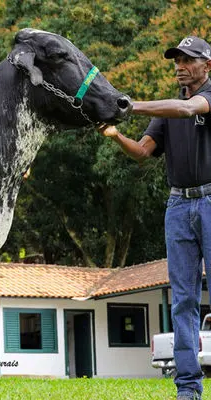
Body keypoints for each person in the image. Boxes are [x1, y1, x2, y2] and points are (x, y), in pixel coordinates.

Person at [98, 35, 211, 400]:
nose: (180, 66)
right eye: (176, 60)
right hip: (178, 206)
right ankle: (188, 388)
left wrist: (130, 106)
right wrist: (116, 134)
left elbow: (188, 109)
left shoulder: (203, 99)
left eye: (188, 60)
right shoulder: (168, 109)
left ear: (207, 65)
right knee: (183, 300)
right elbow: (143, 152)